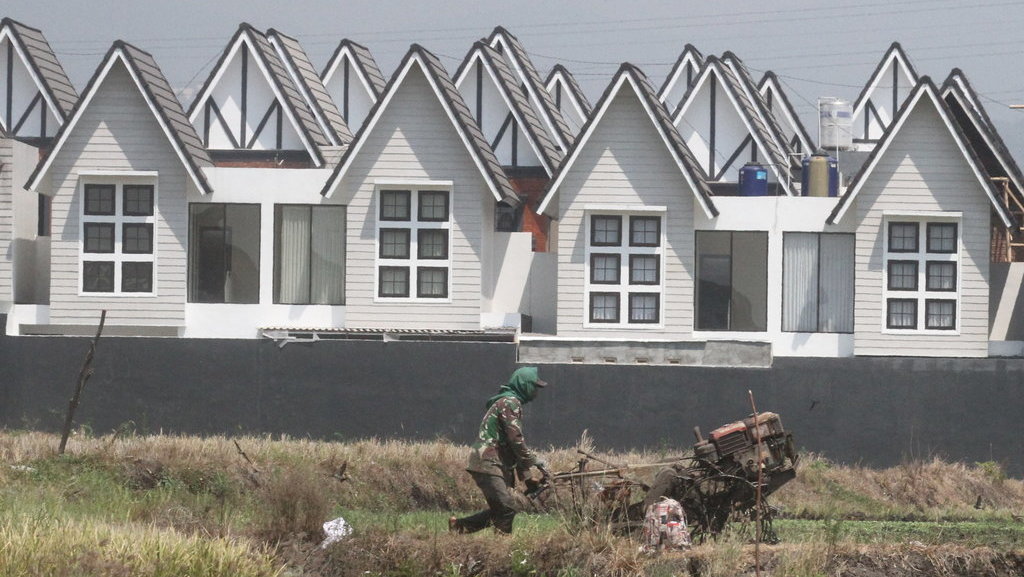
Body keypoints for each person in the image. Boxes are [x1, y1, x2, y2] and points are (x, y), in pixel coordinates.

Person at [450, 366, 548, 534]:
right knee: (507, 508)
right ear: (524, 385)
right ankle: (502, 545)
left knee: (502, 509)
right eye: (534, 387)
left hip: (490, 462)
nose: (536, 392)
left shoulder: (509, 402)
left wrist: (528, 478)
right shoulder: (510, 403)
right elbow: (515, 440)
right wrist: (533, 460)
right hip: (488, 462)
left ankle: (459, 527)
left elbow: (512, 447)